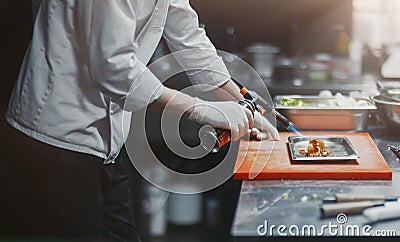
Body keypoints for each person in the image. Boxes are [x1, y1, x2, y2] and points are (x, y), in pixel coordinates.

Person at [6, 0, 279, 241]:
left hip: (106, 145)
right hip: (56, 140)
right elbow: (113, 67)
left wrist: (242, 102)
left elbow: (188, 36)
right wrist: (201, 110)